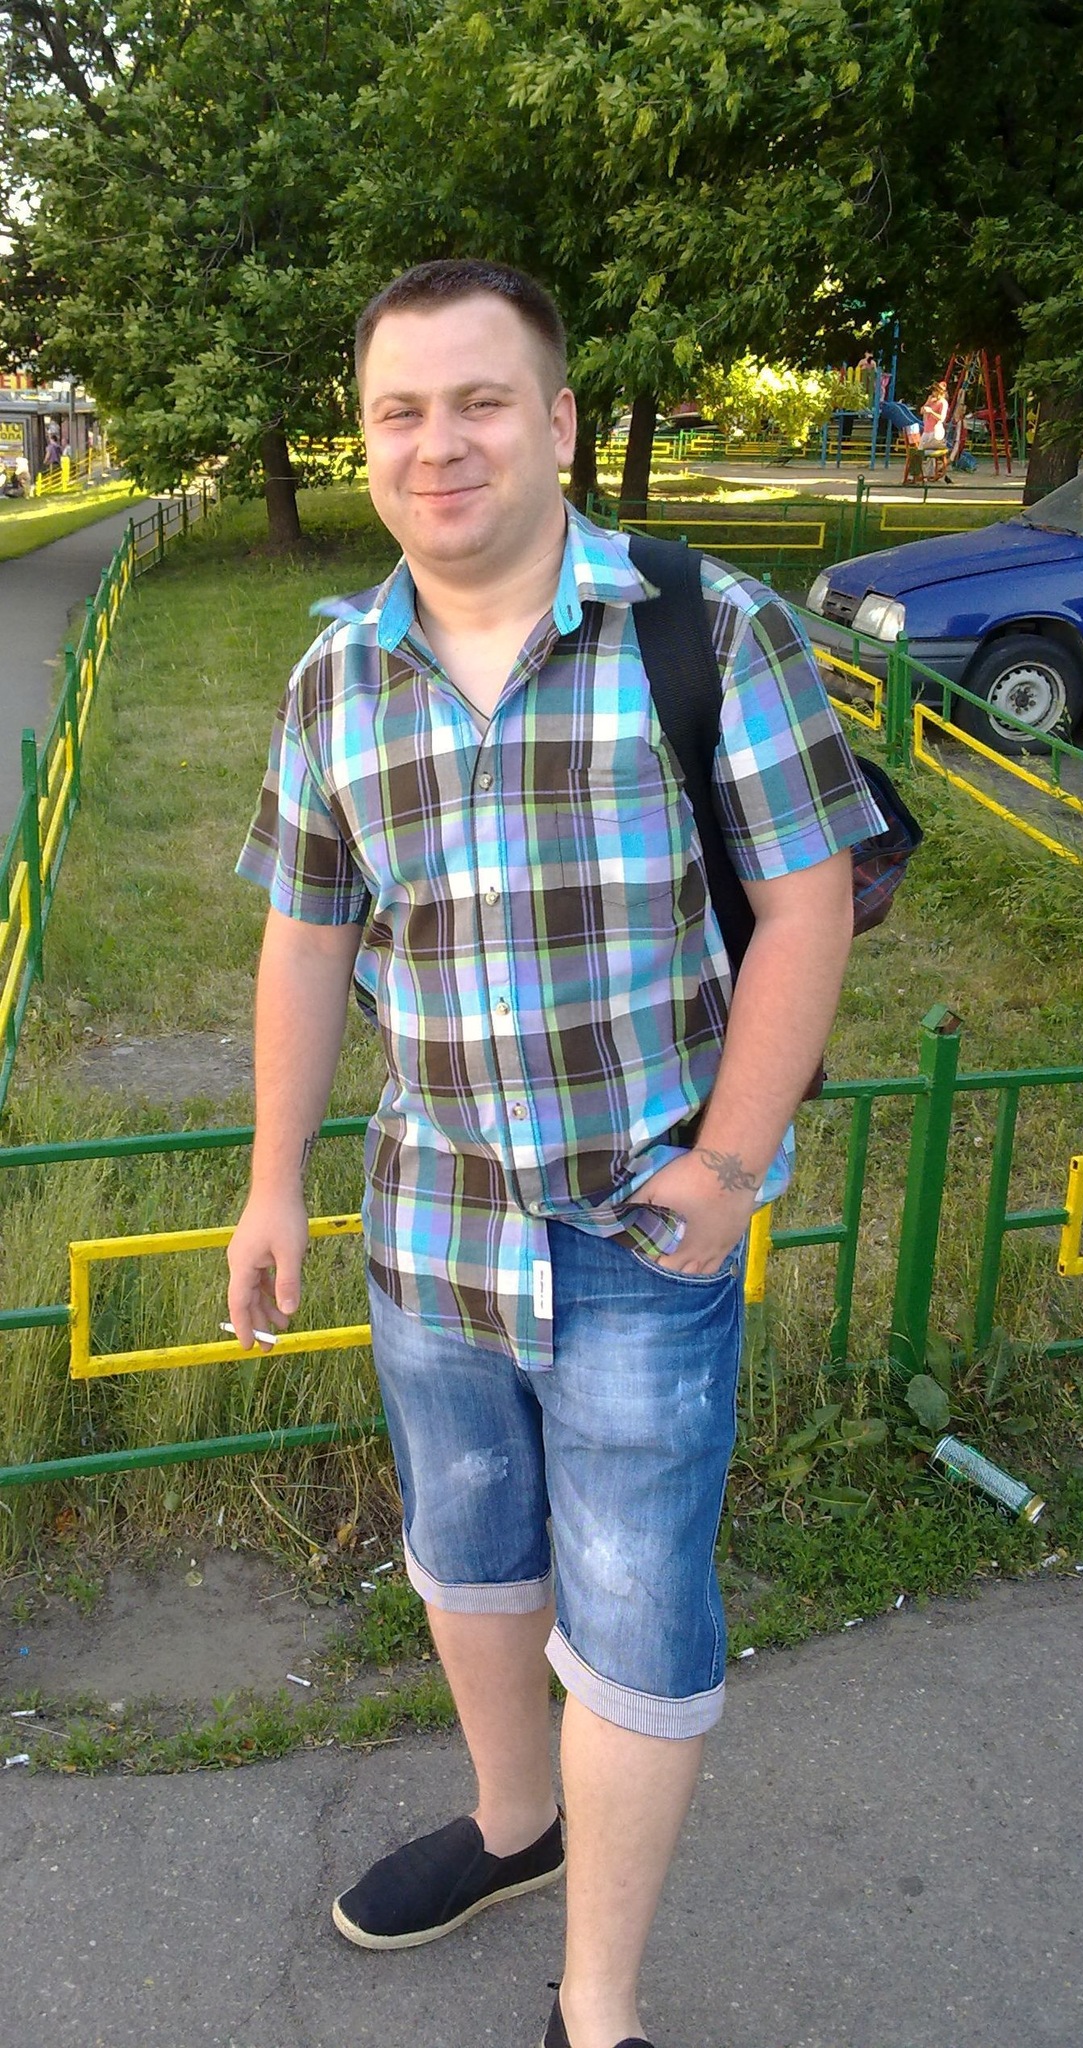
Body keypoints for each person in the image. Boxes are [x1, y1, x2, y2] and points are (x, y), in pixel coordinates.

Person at [227, 258, 884, 2048]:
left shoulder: (708, 629)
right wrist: (275, 1180)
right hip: (430, 1227)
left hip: (639, 1235)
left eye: (480, 401)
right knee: (467, 1556)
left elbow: (809, 898)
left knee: (637, 1618)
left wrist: (729, 1170)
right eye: (399, 411)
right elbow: (305, 936)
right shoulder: (336, 679)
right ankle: (517, 1823)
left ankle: (596, 2009)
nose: (438, 444)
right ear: (364, 439)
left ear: (561, 420)